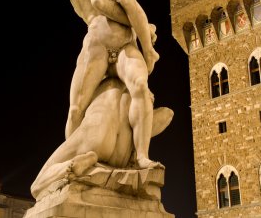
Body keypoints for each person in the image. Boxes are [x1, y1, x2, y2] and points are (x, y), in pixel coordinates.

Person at [53, 0, 160, 170]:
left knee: (140, 86)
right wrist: (141, 25)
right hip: (96, 47)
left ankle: (141, 156)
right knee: (76, 109)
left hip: (125, 46)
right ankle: (70, 159)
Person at [31, 77, 174, 200]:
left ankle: (74, 164)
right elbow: (167, 114)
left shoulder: (105, 75)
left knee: (36, 186)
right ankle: (135, 158)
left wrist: (72, 136)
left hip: (97, 130)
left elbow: (75, 110)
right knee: (167, 113)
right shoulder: (139, 82)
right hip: (124, 146)